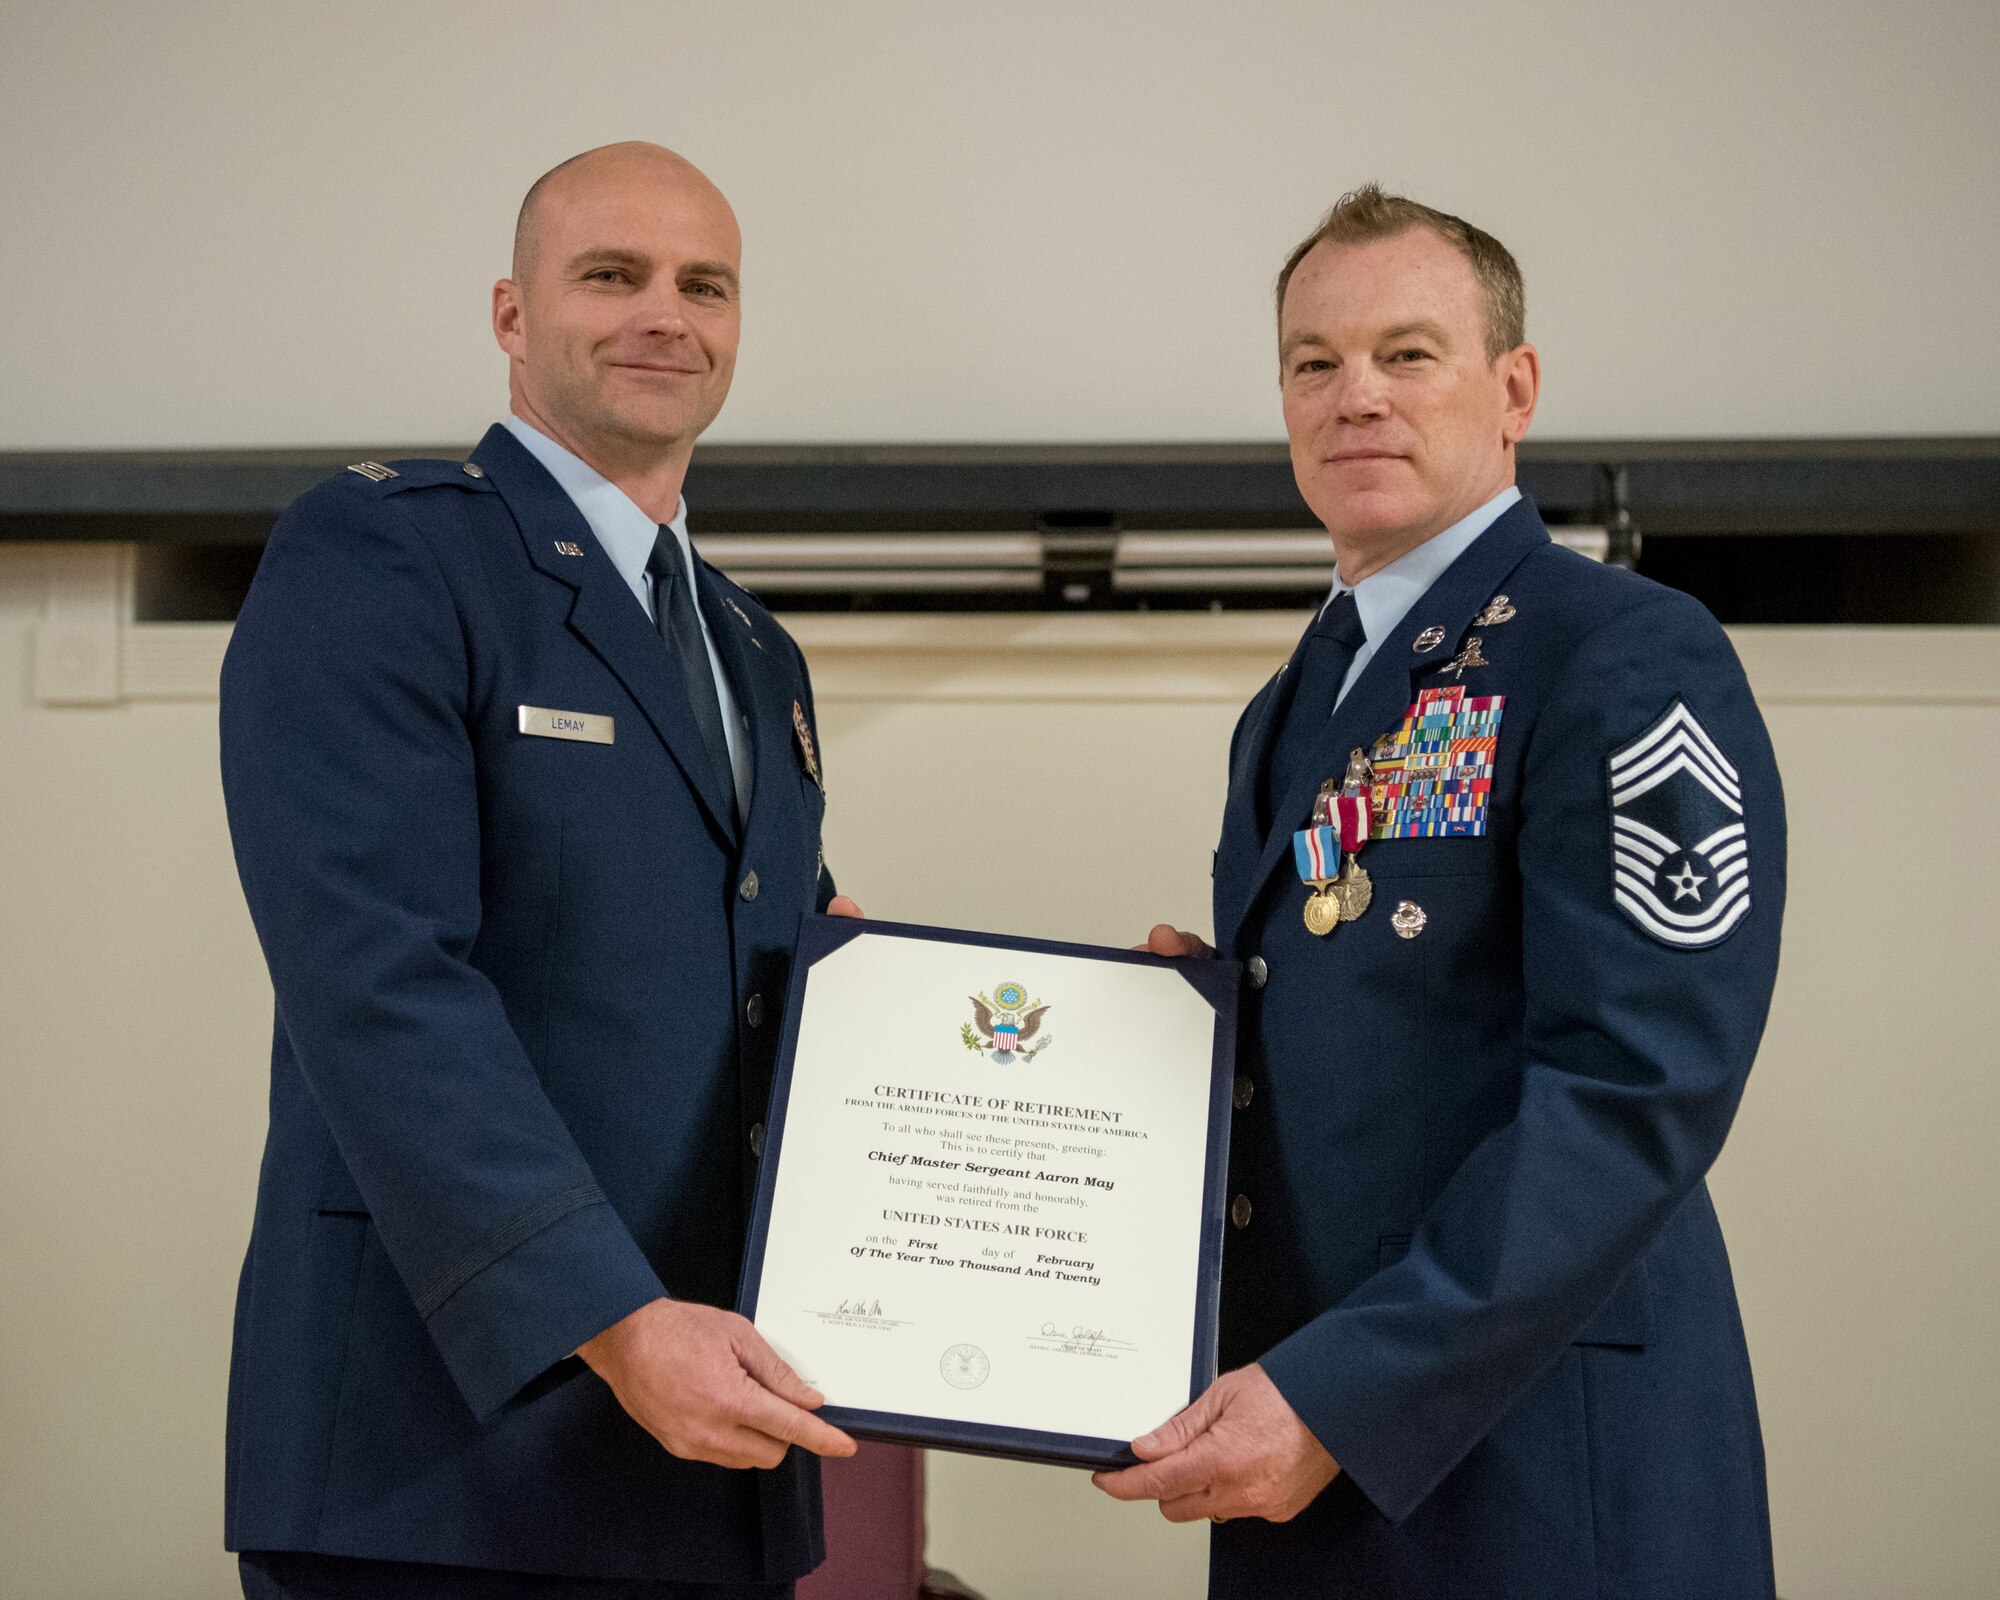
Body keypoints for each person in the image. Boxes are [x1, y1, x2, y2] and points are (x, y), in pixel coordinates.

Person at [1096, 185, 1785, 1599]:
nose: (1357, 397)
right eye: (1314, 362)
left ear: (1513, 386)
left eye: (1408, 354)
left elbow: (1635, 1084)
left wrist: (1348, 1393)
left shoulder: (1623, 654)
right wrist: (1188, 1037)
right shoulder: (1299, 700)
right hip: (1309, 1451)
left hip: (1529, 1469)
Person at [219, 142, 860, 1600]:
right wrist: (617, 1322)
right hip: (441, 1454)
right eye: (611, 275)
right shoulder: (384, 555)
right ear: (512, 315)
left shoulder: (755, 651)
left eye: (705, 284)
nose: (665, 314)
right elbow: (378, 980)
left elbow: (773, 967)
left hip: (708, 1455)